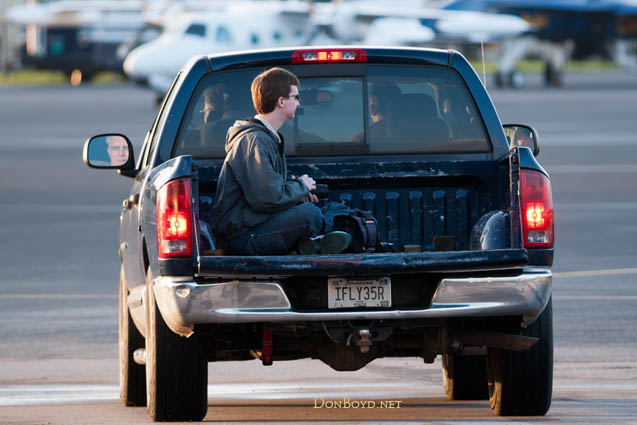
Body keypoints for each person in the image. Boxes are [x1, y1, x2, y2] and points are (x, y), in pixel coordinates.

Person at [211, 67, 351, 255]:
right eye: (296, 97)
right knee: (310, 214)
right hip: (243, 237)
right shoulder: (255, 141)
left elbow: (270, 190)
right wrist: (301, 185)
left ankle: (314, 242)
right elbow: (266, 198)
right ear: (281, 101)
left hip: (259, 225)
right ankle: (313, 242)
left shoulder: (268, 138)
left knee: (336, 209)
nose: (299, 103)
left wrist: (297, 196)